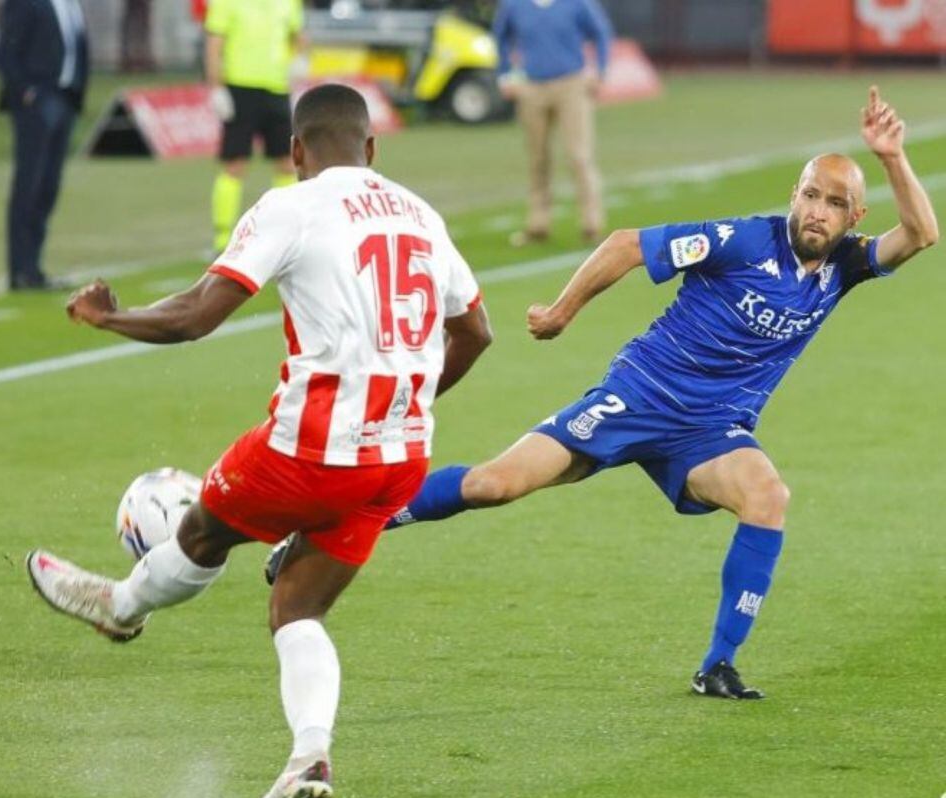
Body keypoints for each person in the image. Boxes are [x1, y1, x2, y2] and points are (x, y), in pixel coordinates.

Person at [272, 86, 938, 700]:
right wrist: (562, 312)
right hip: (638, 397)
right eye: (810, 195)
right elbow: (625, 245)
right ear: (794, 195)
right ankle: (340, 522)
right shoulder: (740, 241)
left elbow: (920, 234)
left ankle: (718, 666)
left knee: (768, 497)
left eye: (834, 203)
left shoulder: (844, 268)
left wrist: (892, 156)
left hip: (711, 431)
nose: (817, 211)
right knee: (495, 484)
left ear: (854, 216)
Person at [25, 85, 493, 798]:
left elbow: (194, 316)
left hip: (309, 450)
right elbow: (477, 333)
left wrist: (112, 317)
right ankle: (309, 756)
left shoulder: (291, 206)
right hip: (400, 457)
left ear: (296, 150)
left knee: (201, 533)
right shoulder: (421, 214)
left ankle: (121, 605)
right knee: (298, 608)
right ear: (371, 148)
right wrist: (410, 403)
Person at [493, 0, 613, 247]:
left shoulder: (577, 3)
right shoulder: (514, 5)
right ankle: (538, 224)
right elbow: (500, 36)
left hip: (572, 84)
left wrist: (600, 70)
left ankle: (592, 224)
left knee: (579, 156)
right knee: (538, 158)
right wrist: (504, 75)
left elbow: (601, 32)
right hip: (531, 85)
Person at [0, 0, 89, 291]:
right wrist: (27, 92)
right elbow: (5, 53)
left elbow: (77, 46)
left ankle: (34, 267)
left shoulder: (70, 4)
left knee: (48, 186)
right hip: (38, 100)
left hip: (65, 98)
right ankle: (20, 270)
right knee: (29, 185)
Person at [204, 0, 305, 252]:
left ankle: (285, 234)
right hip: (240, 87)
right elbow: (214, 45)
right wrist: (216, 87)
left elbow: (298, 35)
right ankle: (223, 237)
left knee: (286, 162)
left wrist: (300, 59)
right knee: (235, 163)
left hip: (277, 88)